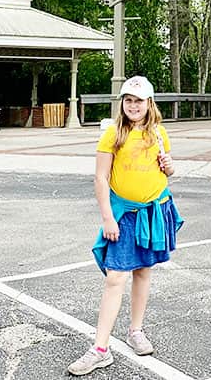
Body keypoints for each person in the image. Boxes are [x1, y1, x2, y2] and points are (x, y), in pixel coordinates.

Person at [66, 76, 183, 376]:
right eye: (128, 100)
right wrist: (107, 217)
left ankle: (136, 331)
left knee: (143, 271)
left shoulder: (158, 133)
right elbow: (101, 178)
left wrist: (170, 166)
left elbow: (166, 171)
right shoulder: (112, 134)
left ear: (149, 103)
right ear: (123, 103)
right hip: (123, 216)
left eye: (139, 100)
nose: (133, 105)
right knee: (115, 277)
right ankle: (100, 349)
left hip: (153, 211)